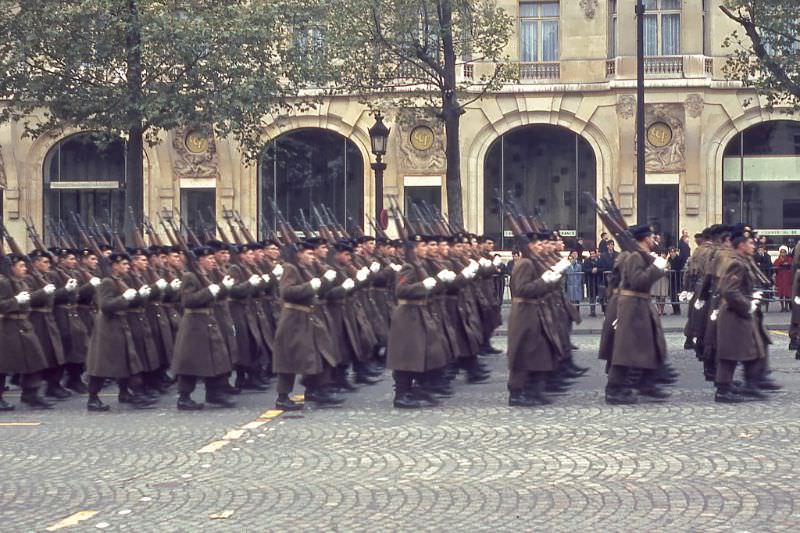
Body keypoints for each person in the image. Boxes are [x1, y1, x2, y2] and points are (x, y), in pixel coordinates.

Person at [602, 224, 671, 405]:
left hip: (640, 303)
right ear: (645, 238)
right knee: (625, 349)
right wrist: (656, 268)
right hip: (632, 305)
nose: (654, 239)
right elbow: (637, 281)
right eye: (651, 236)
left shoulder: (638, 255)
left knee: (646, 344)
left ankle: (647, 382)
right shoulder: (632, 256)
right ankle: (615, 389)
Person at [85, 252, 157, 411]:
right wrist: (124, 298)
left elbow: (130, 303)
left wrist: (141, 296)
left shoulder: (121, 280)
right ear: (115, 266)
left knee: (127, 360)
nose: (127, 267)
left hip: (121, 323)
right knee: (101, 364)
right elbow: (105, 305)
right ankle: (93, 398)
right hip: (108, 326)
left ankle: (126, 392)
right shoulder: (107, 282)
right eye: (123, 264)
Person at [714, 226, 777, 402]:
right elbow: (729, 290)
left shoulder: (741, 259)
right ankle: (723, 391)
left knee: (752, 348)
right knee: (731, 353)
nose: (753, 246)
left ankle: (751, 383)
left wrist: (752, 296)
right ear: (741, 245)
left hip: (738, 313)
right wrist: (747, 304)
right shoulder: (735, 262)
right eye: (750, 243)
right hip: (733, 313)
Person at [171, 246, 235, 410]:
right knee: (190, 362)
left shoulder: (208, 275)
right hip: (194, 323)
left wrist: (223, 288)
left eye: (214, 258)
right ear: (200, 261)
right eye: (210, 259)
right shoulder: (190, 276)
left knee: (216, 359)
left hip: (208, 320)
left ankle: (214, 394)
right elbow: (188, 300)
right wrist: (209, 290)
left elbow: (214, 297)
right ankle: (184, 397)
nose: (213, 261)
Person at [0, 254, 54, 410]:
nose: (25, 269)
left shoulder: (21, 282)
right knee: (3, 366)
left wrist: (43, 293)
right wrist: (15, 301)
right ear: (11, 268)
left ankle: (31, 394)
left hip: (24, 324)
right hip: (7, 326)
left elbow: (29, 299)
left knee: (34, 361)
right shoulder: (4, 283)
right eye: (21, 266)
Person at [582, 249, 601, 317]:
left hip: (597, 280)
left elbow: (602, 267)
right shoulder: (587, 261)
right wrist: (591, 270)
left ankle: (599, 309)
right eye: (591, 254)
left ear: (596, 254)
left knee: (597, 295)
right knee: (591, 295)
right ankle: (592, 311)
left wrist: (597, 270)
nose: (592, 255)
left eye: (593, 253)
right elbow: (584, 269)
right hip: (589, 280)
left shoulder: (599, 260)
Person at [773, 246, 792, 311]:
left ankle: (786, 307)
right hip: (780, 278)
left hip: (787, 277)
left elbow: (791, 265)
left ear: (786, 253)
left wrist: (787, 263)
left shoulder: (789, 259)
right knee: (780, 293)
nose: (783, 254)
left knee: (787, 293)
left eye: (784, 252)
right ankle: (782, 307)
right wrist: (781, 262)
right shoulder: (777, 259)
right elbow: (775, 266)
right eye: (781, 252)